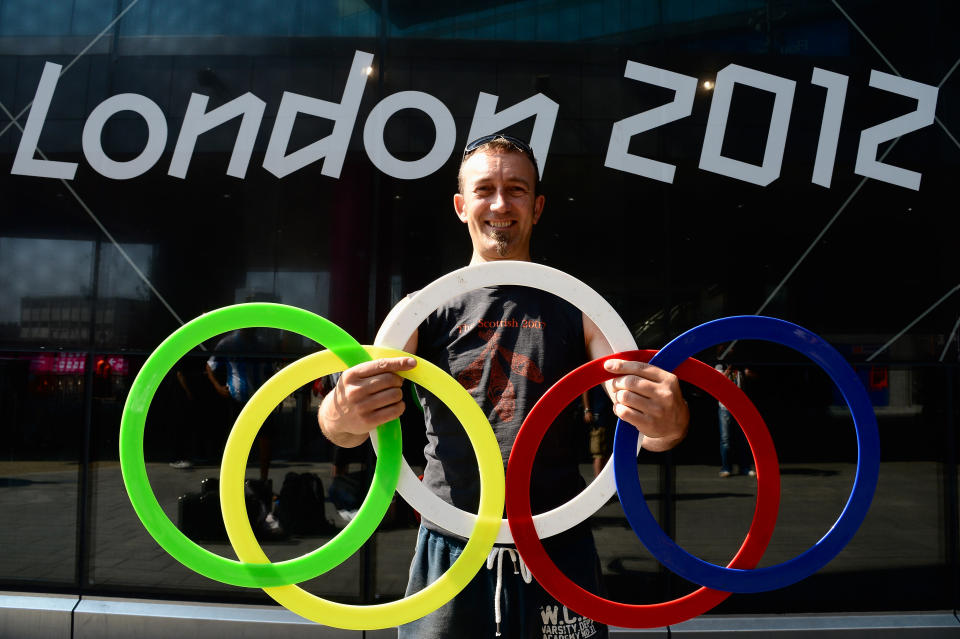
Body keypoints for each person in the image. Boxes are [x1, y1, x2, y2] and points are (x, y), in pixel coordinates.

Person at [318, 134, 689, 638]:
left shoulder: (577, 307)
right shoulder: (423, 308)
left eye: (516, 189)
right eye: (484, 189)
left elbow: (644, 418)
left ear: (537, 207)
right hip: (451, 536)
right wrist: (342, 413)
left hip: (557, 536)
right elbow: (344, 431)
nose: (499, 204)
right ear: (460, 205)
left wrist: (667, 421)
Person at [714, 347, 755, 478]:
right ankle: (726, 468)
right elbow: (718, 382)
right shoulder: (719, 366)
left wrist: (747, 373)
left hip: (741, 407)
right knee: (726, 439)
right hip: (725, 407)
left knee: (744, 439)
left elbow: (752, 377)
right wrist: (729, 369)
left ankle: (745, 467)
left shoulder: (741, 367)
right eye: (728, 353)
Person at [582, 385, 612, 478]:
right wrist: (587, 410)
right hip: (598, 414)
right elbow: (585, 389)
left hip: (611, 414)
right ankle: (598, 480)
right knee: (598, 452)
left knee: (610, 452)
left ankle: (606, 481)